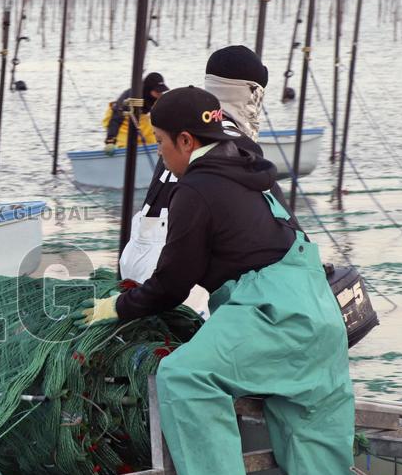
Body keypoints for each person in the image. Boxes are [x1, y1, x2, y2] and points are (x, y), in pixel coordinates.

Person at [75, 87, 356, 475]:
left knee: (185, 376)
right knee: (313, 439)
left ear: (186, 140)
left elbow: (172, 285)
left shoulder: (195, 190)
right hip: (321, 315)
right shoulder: (255, 171)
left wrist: (116, 306)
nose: (160, 154)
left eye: (160, 142)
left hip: (270, 315)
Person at [118, 46, 293, 314]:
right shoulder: (235, 146)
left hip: (137, 250)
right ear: (252, 94)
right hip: (175, 267)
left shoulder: (182, 128)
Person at [102, 71, 168, 153]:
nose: (160, 94)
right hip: (123, 121)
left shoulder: (156, 98)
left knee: (153, 142)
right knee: (124, 145)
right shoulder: (131, 96)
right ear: (148, 89)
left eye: (161, 91)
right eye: (157, 91)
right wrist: (110, 140)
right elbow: (116, 118)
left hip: (141, 119)